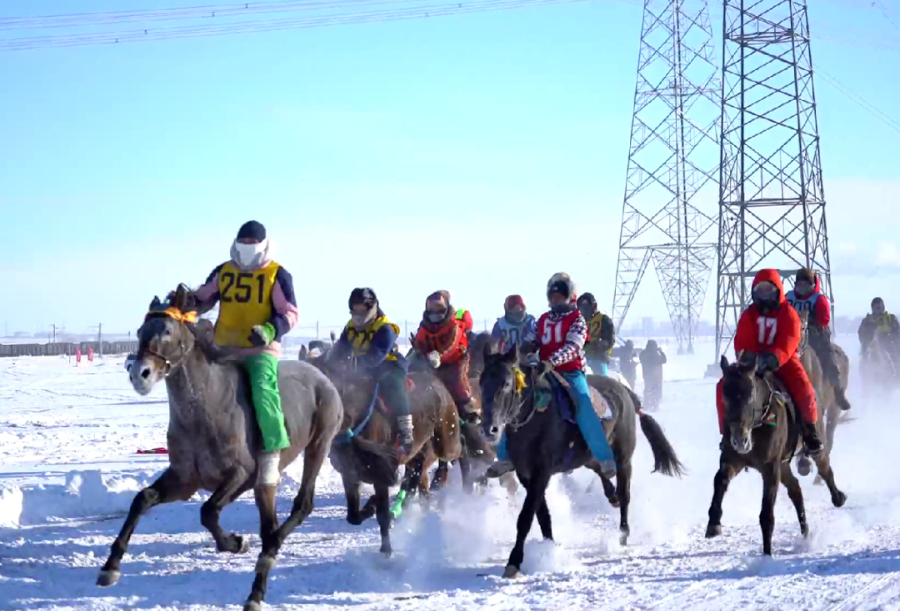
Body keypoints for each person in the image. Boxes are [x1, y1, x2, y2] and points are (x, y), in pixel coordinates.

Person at [193, 220, 298, 489]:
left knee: (264, 390)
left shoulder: (277, 274)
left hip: (259, 348)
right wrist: (186, 301)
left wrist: (270, 329)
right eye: (244, 243)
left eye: (253, 244)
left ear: (263, 244)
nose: (248, 248)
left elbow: (290, 313)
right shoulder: (224, 271)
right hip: (223, 346)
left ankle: (271, 455)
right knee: (196, 387)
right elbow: (204, 297)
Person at [488, 273, 617, 478]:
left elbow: (573, 346)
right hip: (541, 369)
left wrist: (551, 362)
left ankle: (604, 457)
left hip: (570, 371)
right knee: (514, 399)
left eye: (560, 295)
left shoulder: (577, 320)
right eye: (553, 296)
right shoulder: (544, 319)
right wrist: (524, 352)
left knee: (583, 403)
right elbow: (531, 340)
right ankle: (504, 457)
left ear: (569, 296)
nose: (555, 299)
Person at [715, 269, 822, 456]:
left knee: (803, 387)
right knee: (723, 385)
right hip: (752, 363)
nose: (764, 295)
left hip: (783, 361)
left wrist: (774, 357)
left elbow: (791, 338)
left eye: (768, 290)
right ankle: (726, 432)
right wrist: (748, 358)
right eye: (760, 290)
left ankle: (809, 432)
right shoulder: (749, 314)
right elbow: (742, 339)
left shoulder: (788, 313)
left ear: (777, 291)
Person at [329, 288, 413, 459]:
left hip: (388, 366)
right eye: (355, 309)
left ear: (372, 308)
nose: (359, 314)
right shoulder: (350, 327)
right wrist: (331, 362)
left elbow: (377, 355)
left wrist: (357, 365)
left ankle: (406, 431)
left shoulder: (385, 329)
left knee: (393, 385)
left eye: (363, 309)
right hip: (359, 369)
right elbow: (340, 348)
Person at [785, 268, 851, 411]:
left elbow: (824, 319)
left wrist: (811, 325)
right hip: (791, 336)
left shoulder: (818, 299)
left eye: (806, 285)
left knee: (829, 359)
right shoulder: (788, 297)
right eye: (800, 284)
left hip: (816, 336)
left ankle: (838, 392)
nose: (803, 288)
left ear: (812, 285)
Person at [413, 291, 479, 422]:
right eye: (432, 309)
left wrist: (439, 355)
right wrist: (419, 349)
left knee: (457, 380)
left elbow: (452, 344)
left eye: (439, 308)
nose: (435, 313)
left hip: (456, 358)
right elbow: (421, 342)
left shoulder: (453, 325)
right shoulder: (424, 327)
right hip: (433, 362)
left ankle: (470, 408)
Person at [577, 292, 615, 375]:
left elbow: (610, 340)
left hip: (598, 358)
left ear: (593, 306)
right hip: (581, 358)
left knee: (602, 381)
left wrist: (601, 344)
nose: (583, 311)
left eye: (585, 308)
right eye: (581, 309)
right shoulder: (579, 322)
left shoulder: (603, 319)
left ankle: (606, 387)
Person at [858, 297, 900, 366]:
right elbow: (861, 335)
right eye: (877, 308)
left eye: (881, 307)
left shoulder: (891, 318)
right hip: (872, 347)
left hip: (890, 346)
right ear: (873, 308)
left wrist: (889, 337)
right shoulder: (867, 320)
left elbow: (898, 333)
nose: (879, 309)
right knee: (865, 359)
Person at [639, 340, 667, 410]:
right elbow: (664, 360)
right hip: (657, 376)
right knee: (656, 390)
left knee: (647, 390)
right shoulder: (656, 354)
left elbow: (640, 357)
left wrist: (645, 350)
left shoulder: (645, 354)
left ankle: (646, 405)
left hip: (647, 376)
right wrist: (661, 351)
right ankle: (655, 405)